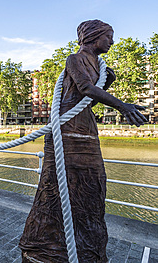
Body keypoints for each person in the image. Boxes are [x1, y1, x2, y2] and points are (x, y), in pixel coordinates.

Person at [19, 20, 146, 263]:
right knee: (56, 187)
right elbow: (85, 89)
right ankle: (45, 244)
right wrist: (122, 105)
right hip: (67, 129)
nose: (112, 41)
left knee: (92, 184)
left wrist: (106, 82)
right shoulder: (74, 59)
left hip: (85, 124)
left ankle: (85, 245)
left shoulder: (97, 64)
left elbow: (85, 100)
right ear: (94, 37)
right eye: (109, 36)